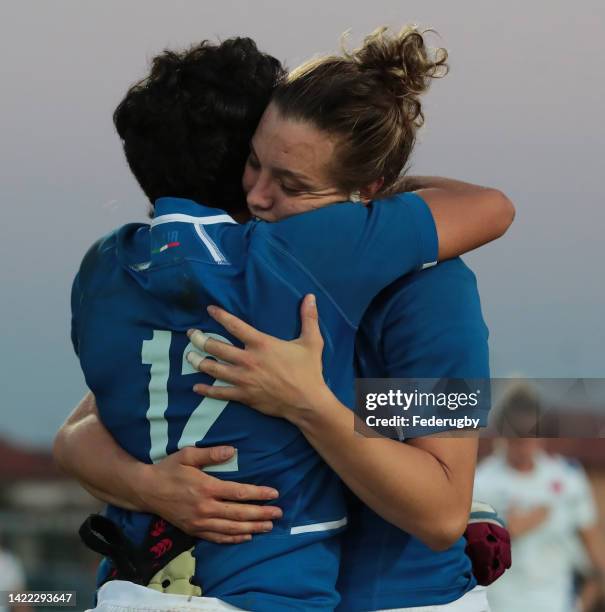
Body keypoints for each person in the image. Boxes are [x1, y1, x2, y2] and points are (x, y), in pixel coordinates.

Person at [57, 28, 513, 611]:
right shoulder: (246, 270)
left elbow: (441, 509)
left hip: (398, 600)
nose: (256, 196)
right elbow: (76, 435)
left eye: (291, 183)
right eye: (252, 163)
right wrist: (151, 485)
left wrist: (308, 402)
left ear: (369, 194)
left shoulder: (426, 292)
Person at [474, 386, 605, 612]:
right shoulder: (481, 482)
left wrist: (585, 601)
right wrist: (506, 532)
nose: (526, 442)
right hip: (501, 605)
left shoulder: (567, 479)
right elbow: (466, 555)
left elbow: (596, 552)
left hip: (555, 604)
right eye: (518, 433)